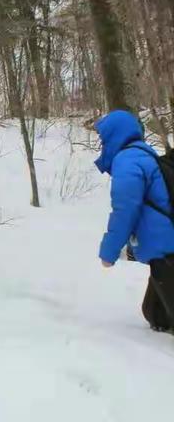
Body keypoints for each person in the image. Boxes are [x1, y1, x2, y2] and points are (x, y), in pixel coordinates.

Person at [95, 110, 174, 333]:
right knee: (154, 314)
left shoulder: (127, 161)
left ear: (115, 135)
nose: (102, 144)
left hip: (166, 251)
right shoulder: (143, 153)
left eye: (104, 138)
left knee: (160, 315)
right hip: (164, 250)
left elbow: (125, 210)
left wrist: (109, 251)